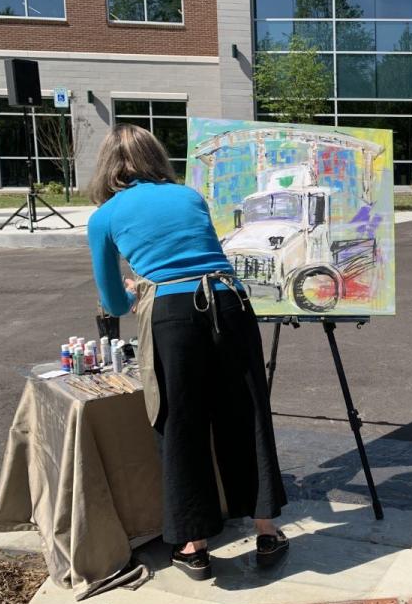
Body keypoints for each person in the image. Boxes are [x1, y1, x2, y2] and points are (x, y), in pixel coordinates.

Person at [87, 124, 288, 580]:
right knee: (245, 414)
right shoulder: (188, 196)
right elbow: (200, 252)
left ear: (106, 168)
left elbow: (115, 304)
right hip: (228, 299)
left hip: (172, 312)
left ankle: (194, 545)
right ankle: (266, 529)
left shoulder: (104, 216)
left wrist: (134, 287)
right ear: (156, 157)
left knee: (180, 422)